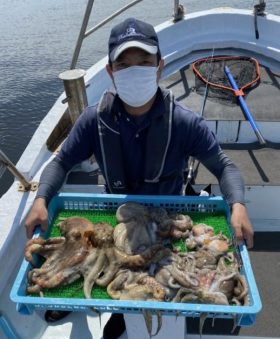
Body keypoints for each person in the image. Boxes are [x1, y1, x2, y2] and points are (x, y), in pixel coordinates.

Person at [25, 17, 254, 339]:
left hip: (169, 219)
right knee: (103, 262)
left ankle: (143, 312)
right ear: (110, 72)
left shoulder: (185, 123)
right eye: (124, 64)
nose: (135, 70)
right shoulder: (94, 121)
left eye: (144, 62)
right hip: (117, 218)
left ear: (159, 67)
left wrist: (238, 206)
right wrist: (40, 199)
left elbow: (225, 167)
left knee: (163, 281)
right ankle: (102, 301)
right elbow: (61, 162)